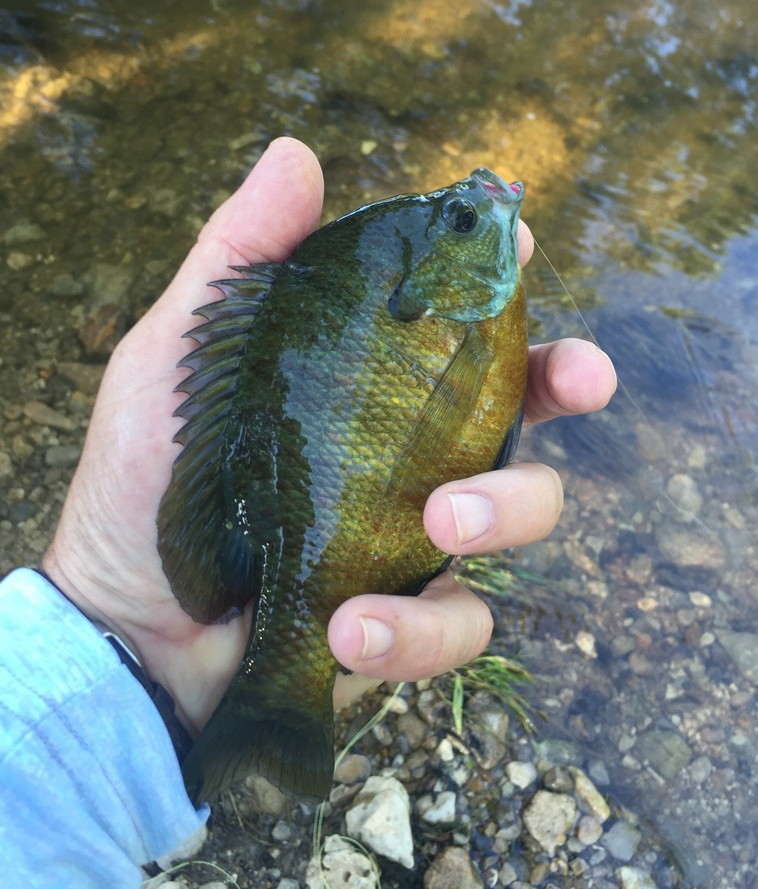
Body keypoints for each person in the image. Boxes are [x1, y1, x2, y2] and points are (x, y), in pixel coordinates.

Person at [0, 137, 616, 887]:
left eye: (455, 219)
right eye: (460, 221)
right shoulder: (468, 317)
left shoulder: (452, 307)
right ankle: (266, 707)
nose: (477, 204)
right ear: (422, 288)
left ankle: (257, 714)